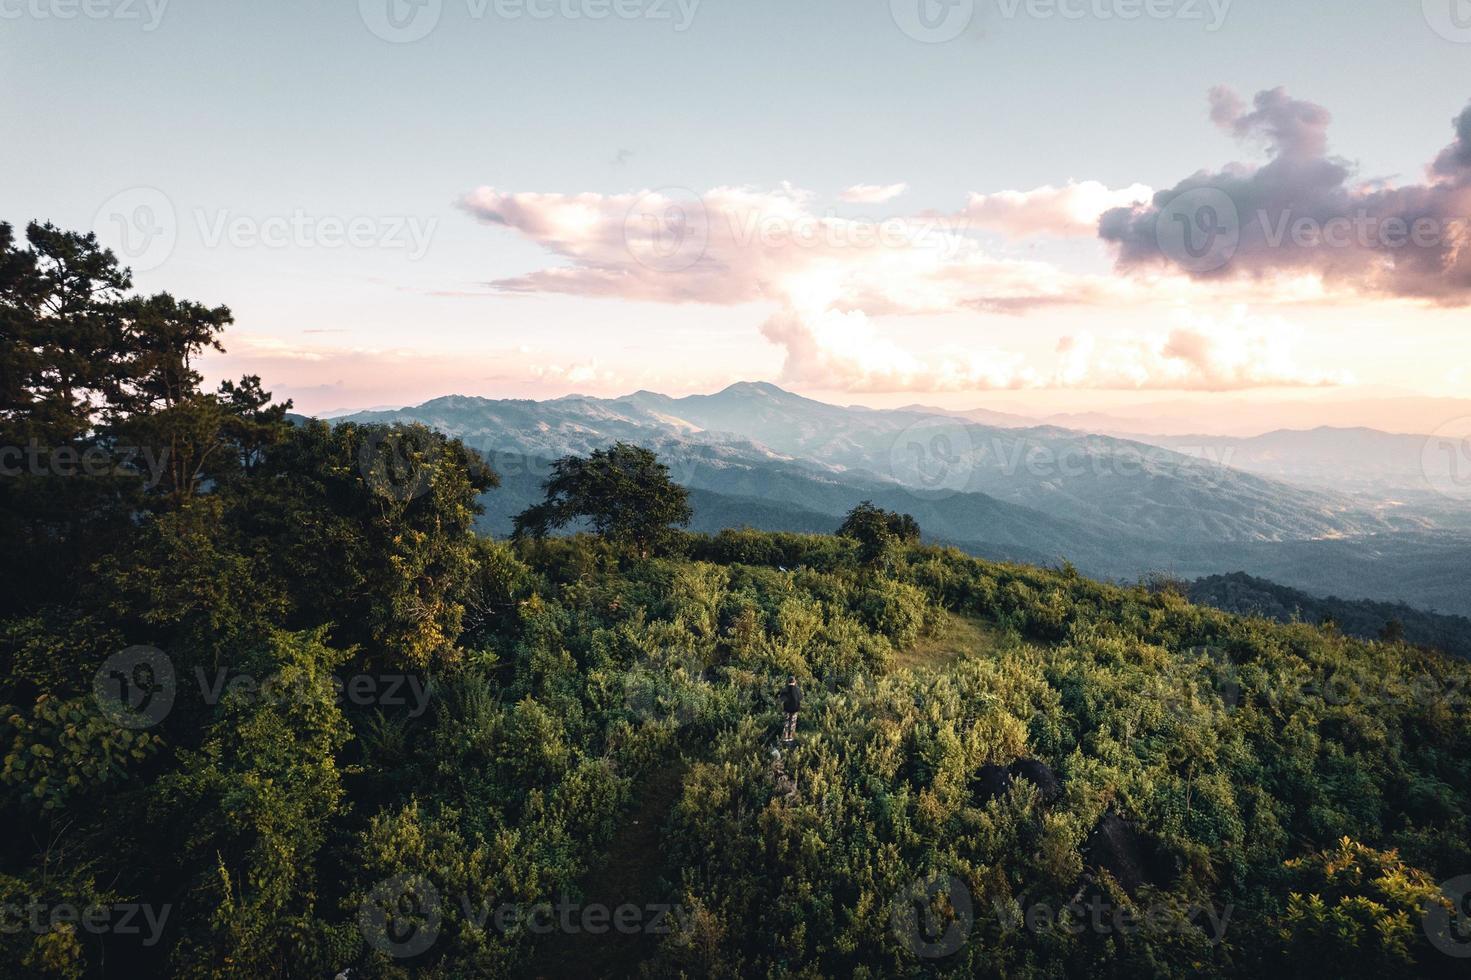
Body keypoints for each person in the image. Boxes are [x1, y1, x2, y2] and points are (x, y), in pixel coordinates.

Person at [779, 674, 801, 742]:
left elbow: (781, 698)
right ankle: (791, 736)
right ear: (795, 681)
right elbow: (800, 698)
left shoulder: (784, 689)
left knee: (787, 722)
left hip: (787, 708)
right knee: (793, 722)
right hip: (795, 708)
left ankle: (785, 736)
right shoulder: (798, 690)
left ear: (788, 681)